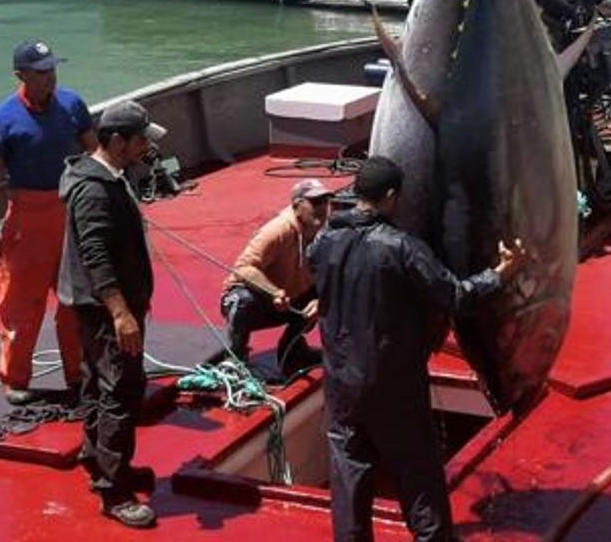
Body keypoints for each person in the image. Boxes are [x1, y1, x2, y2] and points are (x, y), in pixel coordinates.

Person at [306, 156, 524, 542]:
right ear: (391, 196)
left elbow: (321, 278)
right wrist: (501, 273)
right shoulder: (402, 247)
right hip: (394, 382)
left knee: (349, 470)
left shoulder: (323, 241)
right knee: (417, 469)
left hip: (341, 382)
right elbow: (455, 296)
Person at [57, 100, 166, 529]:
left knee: (95, 383)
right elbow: (95, 254)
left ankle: (97, 458)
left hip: (101, 303)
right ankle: (115, 490)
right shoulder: (94, 190)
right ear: (117, 142)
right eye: (140, 140)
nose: (145, 147)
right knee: (120, 390)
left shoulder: (110, 176)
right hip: (106, 308)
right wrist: (121, 314)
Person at [0, 39, 97, 405]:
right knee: (20, 304)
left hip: (70, 210)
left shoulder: (73, 105)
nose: (50, 78)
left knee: (74, 301)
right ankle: (15, 378)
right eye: (41, 72)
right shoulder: (2, 118)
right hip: (27, 218)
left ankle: (78, 374)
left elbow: (95, 154)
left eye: (52, 70)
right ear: (21, 75)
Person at [220, 178, 331, 376]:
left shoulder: (328, 233)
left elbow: (334, 275)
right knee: (242, 301)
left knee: (329, 297)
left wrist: (321, 300)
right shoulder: (278, 230)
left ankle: (293, 348)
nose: (322, 208)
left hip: (293, 299)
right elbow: (243, 268)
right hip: (261, 299)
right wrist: (273, 291)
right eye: (315, 203)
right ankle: (236, 355)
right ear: (297, 206)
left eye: (325, 201)